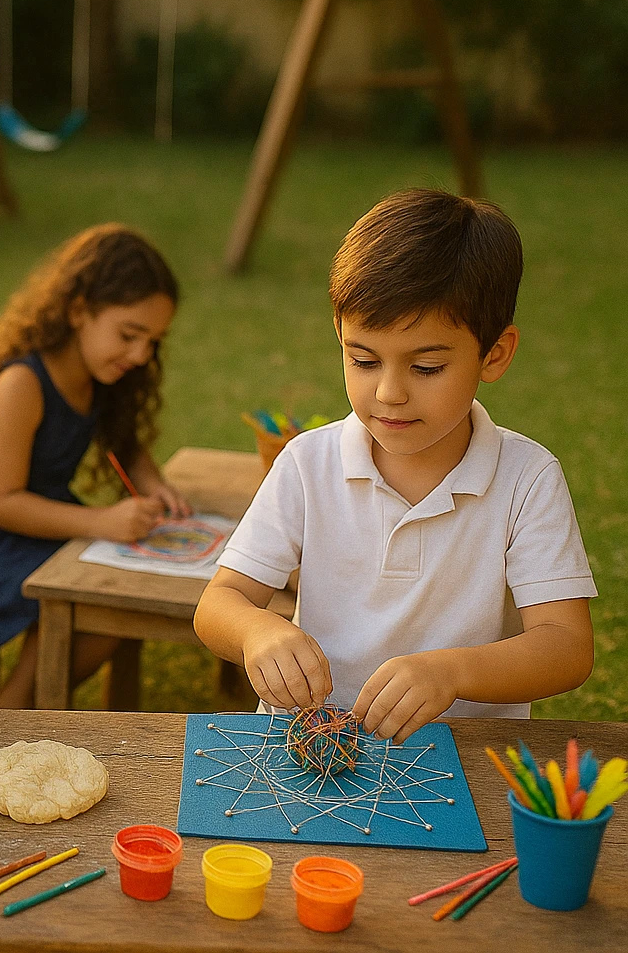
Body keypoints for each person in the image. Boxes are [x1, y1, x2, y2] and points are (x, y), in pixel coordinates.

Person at [194, 189, 595, 742]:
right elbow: (220, 602)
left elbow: (566, 646)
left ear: (494, 355)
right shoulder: (307, 463)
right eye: (363, 360)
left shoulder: (527, 479)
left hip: (458, 759)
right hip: (307, 748)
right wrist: (258, 633)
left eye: (426, 366)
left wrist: (452, 672)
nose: (388, 392)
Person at [0, 224, 190, 708]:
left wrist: (153, 484)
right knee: (87, 601)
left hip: (41, 527)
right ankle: (8, 718)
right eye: (129, 335)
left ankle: (18, 706)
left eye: (153, 341)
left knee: (113, 605)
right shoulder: (24, 382)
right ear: (79, 310)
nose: (140, 354)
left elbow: (124, 443)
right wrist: (101, 522)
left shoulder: (101, 375)